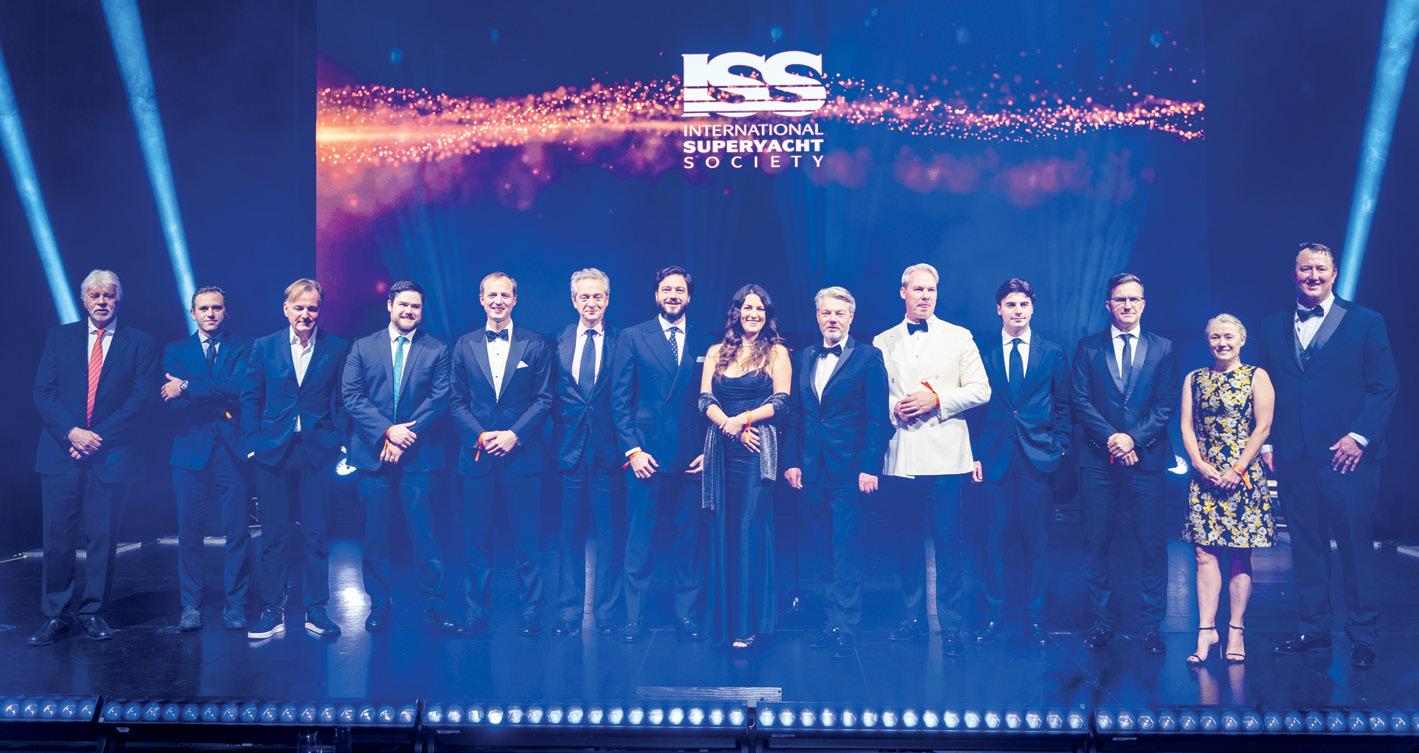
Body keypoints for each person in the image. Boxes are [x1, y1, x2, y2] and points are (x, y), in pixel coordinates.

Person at [1258, 243, 1397, 669]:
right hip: (1293, 455)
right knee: (1306, 546)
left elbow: (1384, 386)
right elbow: (1266, 391)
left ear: (1334, 274)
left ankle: (1363, 635)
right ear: (1294, 274)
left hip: (1346, 458)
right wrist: (1267, 443)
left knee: (1355, 547)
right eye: (1305, 269)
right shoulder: (1272, 325)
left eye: (1320, 268)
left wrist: (1359, 438)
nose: (1312, 276)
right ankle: (1314, 628)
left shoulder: (1367, 321)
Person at [29, 269, 159, 646]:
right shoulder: (59, 337)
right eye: (95, 295)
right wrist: (72, 433)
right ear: (84, 299)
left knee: (102, 537)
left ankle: (93, 612)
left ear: (119, 299)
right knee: (57, 537)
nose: (102, 301)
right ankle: (56, 615)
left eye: (109, 295)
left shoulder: (141, 342)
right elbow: (43, 392)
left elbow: (140, 400)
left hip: (110, 454)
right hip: (61, 452)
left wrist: (94, 438)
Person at [873, 262, 990, 657]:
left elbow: (981, 389)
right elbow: (875, 393)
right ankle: (913, 618)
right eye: (918, 289)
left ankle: (952, 625)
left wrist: (936, 399)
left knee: (948, 543)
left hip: (946, 456)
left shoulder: (959, 336)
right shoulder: (882, 340)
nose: (925, 296)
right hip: (903, 452)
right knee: (906, 540)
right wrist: (895, 407)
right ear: (903, 292)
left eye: (931, 290)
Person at [1071, 272, 1179, 653]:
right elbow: (1080, 401)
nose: (1128, 305)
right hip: (1097, 462)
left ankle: (1151, 625)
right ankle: (1102, 621)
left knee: (1152, 546)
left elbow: (1166, 404)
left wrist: (1133, 438)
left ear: (1143, 304)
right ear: (1109, 305)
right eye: (1121, 299)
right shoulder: (1088, 348)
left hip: (1146, 459)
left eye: (1134, 299)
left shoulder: (1163, 348)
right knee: (1096, 544)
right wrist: (1114, 440)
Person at [783, 286, 890, 659]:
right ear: (817, 317)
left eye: (839, 313)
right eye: (826, 313)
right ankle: (831, 623)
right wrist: (792, 461)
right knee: (824, 548)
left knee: (846, 548)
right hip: (812, 468)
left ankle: (846, 625)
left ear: (851, 318)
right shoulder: (804, 357)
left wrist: (870, 467)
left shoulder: (869, 357)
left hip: (851, 469)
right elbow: (796, 415)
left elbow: (878, 418)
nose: (832, 319)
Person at [341, 280, 453, 632]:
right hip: (372, 454)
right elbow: (352, 396)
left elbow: (439, 398)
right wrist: (387, 432)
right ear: (389, 305)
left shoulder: (437, 349)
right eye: (403, 304)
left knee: (425, 534)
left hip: (419, 455)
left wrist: (404, 436)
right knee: (375, 537)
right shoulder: (362, 346)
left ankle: (434, 604)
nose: (409, 311)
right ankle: (379, 604)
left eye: (415, 306)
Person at [241, 278, 350, 640]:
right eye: (299, 307)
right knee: (273, 534)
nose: (305, 314)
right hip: (272, 450)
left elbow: (342, 400)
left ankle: (316, 609)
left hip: (316, 450)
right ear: (285, 308)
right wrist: (253, 442)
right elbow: (250, 396)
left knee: (317, 533)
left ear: (320, 310)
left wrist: (338, 441)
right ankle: (272, 609)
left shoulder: (337, 347)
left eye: (312, 308)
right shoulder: (264, 346)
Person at [964, 278, 1071, 647]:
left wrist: (1059, 447)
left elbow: (1064, 405)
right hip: (993, 458)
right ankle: (995, 616)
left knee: (1037, 541)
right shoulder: (983, 351)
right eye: (1011, 304)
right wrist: (974, 454)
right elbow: (972, 410)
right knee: (992, 539)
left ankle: (1036, 619)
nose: (1018, 311)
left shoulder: (1052, 352)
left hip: (1037, 458)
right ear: (999, 309)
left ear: (1032, 308)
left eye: (1024, 304)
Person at [450, 272, 553, 636]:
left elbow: (544, 399)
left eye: (505, 295)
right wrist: (481, 436)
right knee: (476, 540)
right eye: (491, 295)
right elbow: (456, 401)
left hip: (521, 456)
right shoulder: (464, 344)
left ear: (515, 300)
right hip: (477, 456)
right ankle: (475, 611)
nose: (498, 301)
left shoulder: (535, 343)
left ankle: (531, 611)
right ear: (481, 299)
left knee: (528, 540)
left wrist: (513, 435)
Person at [610, 266, 708, 643]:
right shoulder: (633, 337)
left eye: (680, 290)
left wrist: (707, 451)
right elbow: (619, 401)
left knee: (689, 542)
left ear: (689, 297)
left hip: (690, 458)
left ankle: (687, 615)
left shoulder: (705, 339)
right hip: (645, 457)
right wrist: (633, 451)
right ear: (656, 295)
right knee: (640, 540)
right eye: (666, 289)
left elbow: (713, 401)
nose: (673, 295)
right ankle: (634, 617)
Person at [698, 284, 791, 648]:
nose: (753, 314)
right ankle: (724, 621)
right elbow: (704, 399)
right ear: (735, 312)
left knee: (749, 529)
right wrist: (729, 425)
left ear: (767, 315)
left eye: (760, 309)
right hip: (722, 447)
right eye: (747, 308)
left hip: (756, 450)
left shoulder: (777, 352)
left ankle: (747, 623)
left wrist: (744, 419)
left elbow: (781, 402)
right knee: (723, 529)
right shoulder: (716, 352)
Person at [1180, 314, 1275, 665]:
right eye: (1215, 337)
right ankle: (1206, 630)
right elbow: (1186, 426)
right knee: (1203, 553)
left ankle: (1236, 630)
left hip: (1242, 476)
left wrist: (1237, 469)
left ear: (1242, 339)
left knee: (1239, 554)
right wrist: (1199, 463)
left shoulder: (1256, 376)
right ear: (1207, 341)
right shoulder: (1195, 378)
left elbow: (1263, 427)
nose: (1222, 342)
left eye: (1228, 336)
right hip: (1205, 476)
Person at [160, 286, 254, 632]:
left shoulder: (244, 346)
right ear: (193, 313)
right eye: (203, 308)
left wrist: (188, 386)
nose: (210, 313)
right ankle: (190, 604)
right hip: (189, 450)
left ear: (226, 311)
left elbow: (241, 387)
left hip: (232, 450)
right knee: (190, 531)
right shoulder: (176, 350)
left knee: (237, 530)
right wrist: (216, 391)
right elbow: (171, 402)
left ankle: (235, 603)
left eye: (216, 307)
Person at [550, 268, 624, 637]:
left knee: (610, 537)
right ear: (573, 300)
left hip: (609, 452)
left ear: (607, 299)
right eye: (584, 297)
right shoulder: (557, 341)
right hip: (569, 452)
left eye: (597, 296)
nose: (591, 303)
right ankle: (568, 611)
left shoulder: (622, 341)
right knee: (569, 536)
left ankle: (608, 613)